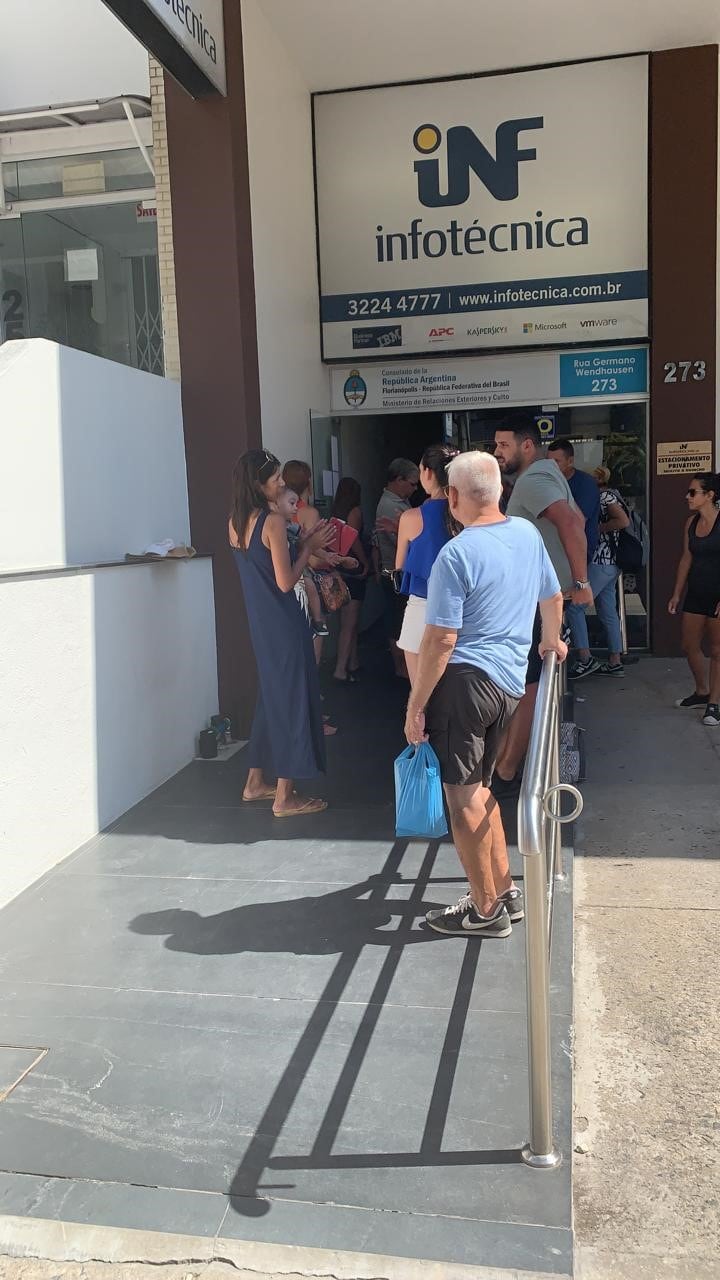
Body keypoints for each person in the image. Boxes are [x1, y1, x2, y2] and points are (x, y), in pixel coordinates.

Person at [404, 451, 566, 938]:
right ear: (500, 492)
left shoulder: (455, 554)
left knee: (463, 801)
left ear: (452, 496)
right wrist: (551, 641)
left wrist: (415, 705)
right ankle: (503, 891)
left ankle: (485, 909)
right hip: (510, 686)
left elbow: (441, 639)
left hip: (463, 687)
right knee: (482, 790)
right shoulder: (526, 534)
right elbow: (553, 598)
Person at [229, 449, 332, 816]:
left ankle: (255, 782)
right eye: (276, 481)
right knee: (292, 699)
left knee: (270, 699)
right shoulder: (271, 521)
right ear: (259, 484)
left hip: (261, 622)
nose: (282, 486)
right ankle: (285, 796)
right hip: (284, 623)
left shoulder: (236, 522)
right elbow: (286, 581)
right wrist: (307, 547)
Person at [492, 417, 590, 793]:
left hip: (536, 601)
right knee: (531, 684)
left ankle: (506, 770)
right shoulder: (550, 473)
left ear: (527, 445)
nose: (498, 452)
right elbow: (578, 519)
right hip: (543, 597)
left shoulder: (534, 480)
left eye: (504, 445)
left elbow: (569, 522)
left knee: (530, 687)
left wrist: (579, 583)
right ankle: (507, 763)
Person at [395, 444, 459, 685]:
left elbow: (400, 565)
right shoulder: (470, 515)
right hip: (464, 609)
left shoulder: (411, 518)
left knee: (420, 693)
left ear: (428, 473)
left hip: (423, 607)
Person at [563, 467, 631, 679]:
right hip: (611, 563)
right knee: (607, 611)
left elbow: (623, 521)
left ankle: (585, 659)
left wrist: (597, 528)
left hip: (601, 561)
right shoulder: (612, 494)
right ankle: (615, 660)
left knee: (575, 608)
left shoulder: (604, 496)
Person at [668, 472, 720, 727]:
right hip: (697, 592)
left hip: (718, 595)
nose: (687, 496)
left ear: (709, 495)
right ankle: (702, 691)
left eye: (693, 492)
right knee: (689, 645)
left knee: (717, 650)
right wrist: (677, 593)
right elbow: (686, 558)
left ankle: (715, 704)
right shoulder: (690, 523)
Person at [374, 458, 420, 676]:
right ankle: (401, 666)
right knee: (397, 620)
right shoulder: (392, 506)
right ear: (399, 479)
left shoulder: (397, 502)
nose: (415, 489)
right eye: (412, 483)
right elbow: (400, 541)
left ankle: (401, 666)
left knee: (397, 618)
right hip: (394, 572)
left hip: (392, 571)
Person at [331, 477, 369, 683]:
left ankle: (352, 662)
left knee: (345, 622)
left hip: (337, 569)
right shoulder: (355, 512)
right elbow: (353, 538)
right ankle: (340, 669)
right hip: (353, 568)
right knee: (350, 623)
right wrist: (365, 562)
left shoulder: (335, 512)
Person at [547, 439, 600, 563]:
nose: (551, 466)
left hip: (579, 552)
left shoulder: (586, 484)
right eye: (548, 462)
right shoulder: (549, 482)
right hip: (556, 550)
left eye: (556, 462)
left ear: (570, 461)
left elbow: (577, 521)